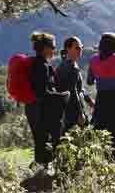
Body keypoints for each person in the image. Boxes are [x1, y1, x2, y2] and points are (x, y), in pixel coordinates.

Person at [27, 32, 70, 169]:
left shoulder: (37, 63)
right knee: (49, 141)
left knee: (41, 141)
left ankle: (40, 174)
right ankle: (44, 174)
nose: (54, 50)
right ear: (45, 48)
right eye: (53, 47)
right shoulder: (42, 66)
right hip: (41, 110)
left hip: (32, 108)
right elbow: (42, 92)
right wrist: (63, 96)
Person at [56, 37, 93, 135]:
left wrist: (89, 101)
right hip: (73, 111)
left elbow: (78, 88)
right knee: (86, 138)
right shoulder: (71, 66)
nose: (80, 50)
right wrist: (80, 113)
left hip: (67, 110)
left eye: (81, 47)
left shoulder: (65, 65)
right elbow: (73, 90)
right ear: (68, 49)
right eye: (77, 48)